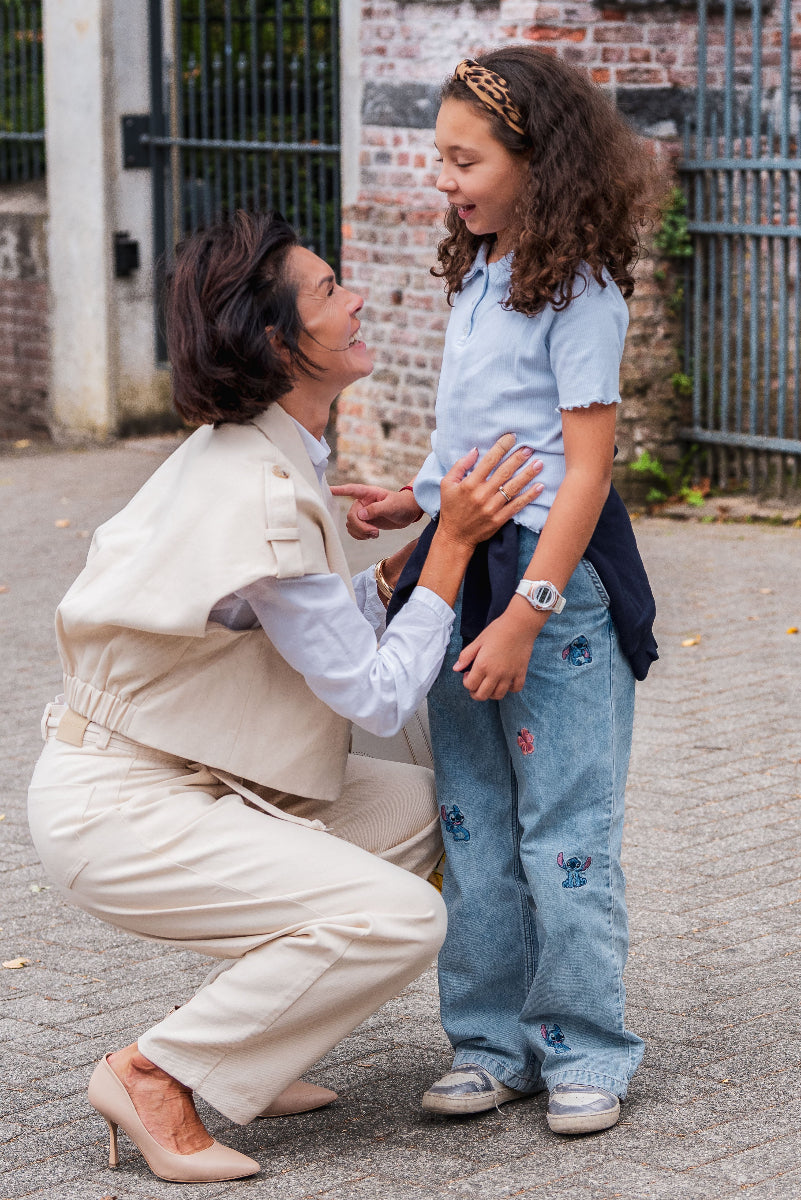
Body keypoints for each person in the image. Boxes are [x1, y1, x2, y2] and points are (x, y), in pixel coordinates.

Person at [26, 210, 544, 1183]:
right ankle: (154, 1074)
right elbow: (379, 697)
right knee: (398, 918)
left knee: (438, 813)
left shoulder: (279, 450)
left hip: (199, 775)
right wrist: (457, 547)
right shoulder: (259, 485)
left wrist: (406, 561)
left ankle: (249, 1050)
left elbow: (312, 630)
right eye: (329, 290)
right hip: (123, 809)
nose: (356, 301)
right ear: (278, 341)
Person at [333, 48, 659, 1136]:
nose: (445, 178)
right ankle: (489, 1043)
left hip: (548, 592)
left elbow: (584, 469)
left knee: (562, 829)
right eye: (438, 158)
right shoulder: (479, 270)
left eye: (464, 159)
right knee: (471, 822)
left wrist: (530, 613)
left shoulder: (583, 291)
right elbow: (479, 445)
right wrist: (413, 509)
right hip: (460, 566)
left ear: (537, 161)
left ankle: (587, 1049)